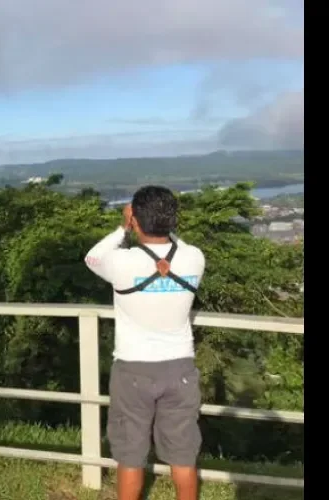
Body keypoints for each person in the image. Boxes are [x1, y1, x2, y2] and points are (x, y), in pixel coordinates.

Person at [84, 185, 205, 500]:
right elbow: (181, 245)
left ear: (135, 219)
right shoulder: (194, 258)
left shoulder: (122, 263)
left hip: (133, 369)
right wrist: (167, 232)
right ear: (172, 220)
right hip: (180, 368)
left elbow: (92, 257)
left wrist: (123, 228)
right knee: (183, 455)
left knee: (131, 455)